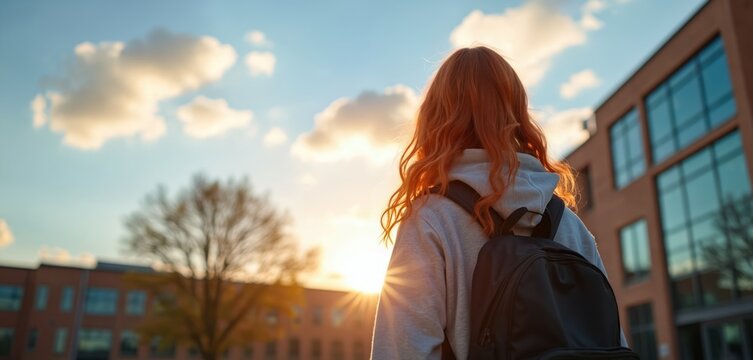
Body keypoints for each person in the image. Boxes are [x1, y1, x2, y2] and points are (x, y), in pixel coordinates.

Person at [371, 46, 625, 359]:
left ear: (436, 118)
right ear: (517, 113)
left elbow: (402, 352)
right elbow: (614, 341)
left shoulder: (431, 219)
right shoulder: (571, 226)